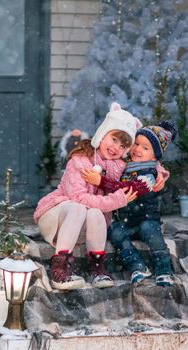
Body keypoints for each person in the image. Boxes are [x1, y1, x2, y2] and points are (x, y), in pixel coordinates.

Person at [33, 102, 142, 291]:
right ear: (103, 133)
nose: (117, 147)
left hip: (82, 229)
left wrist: (160, 174)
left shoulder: (119, 169)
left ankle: (97, 267)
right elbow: (79, 198)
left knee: (96, 213)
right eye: (114, 139)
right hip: (57, 218)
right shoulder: (81, 159)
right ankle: (60, 267)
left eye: (124, 145)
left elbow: (146, 166)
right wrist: (116, 200)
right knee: (79, 206)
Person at [81, 121, 177, 287]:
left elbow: (129, 189)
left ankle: (164, 270)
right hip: (125, 220)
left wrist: (101, 182)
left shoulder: (150, 173)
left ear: (155, 157)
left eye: (145, 148)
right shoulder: (125, 163)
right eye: (137, 144)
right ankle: (137, 266)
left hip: (146, 219)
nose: (138, 149)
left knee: (152, 234)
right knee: (114, 231)